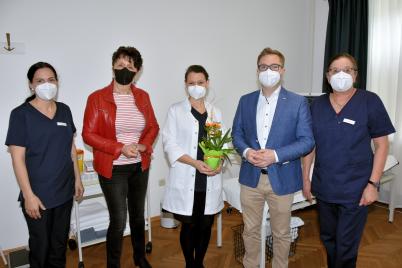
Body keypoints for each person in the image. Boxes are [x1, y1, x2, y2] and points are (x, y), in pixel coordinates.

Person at [302, 52, 395, 268]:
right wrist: (306, 179)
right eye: (335, 70)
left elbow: (382, 145)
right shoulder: (316, 106)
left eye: (347, 70)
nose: (340, 74)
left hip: (356, 188)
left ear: (355, 75)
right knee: (329, 240)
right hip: (324, 187)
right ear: (327, 76)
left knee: (346, 246)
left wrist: (373, 184)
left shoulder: (369, 101)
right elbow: (310, 146)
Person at [232, 47, 315, 268]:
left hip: (283, 178)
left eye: (274, 66)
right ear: (257, 70)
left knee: (281, 232)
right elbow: (237, 134)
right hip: (251, 178)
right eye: (264, 67)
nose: (269, 71)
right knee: (250, 231)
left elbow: (307, 141)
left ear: (283, 70)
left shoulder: (298, 102)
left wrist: (275, 155)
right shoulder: (245, 100)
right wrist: (248, 153)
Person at [82, 46, 159, 268]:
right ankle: (113, 265)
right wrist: (119, 148)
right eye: (120, 65)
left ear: (138, 70)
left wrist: (144, 146)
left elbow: (153, 126)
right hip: (113, 167)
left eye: (130, 66)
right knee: (118, 220)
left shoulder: (143, 97)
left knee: (137, 216)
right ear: (113, 66)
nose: (125, 69)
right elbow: (89, 134)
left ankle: (139, 258)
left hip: (139, 166)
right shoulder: (97, 98)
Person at [5, 62, 84, 268]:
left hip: (64, 192)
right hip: (38, 197)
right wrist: (29, 196)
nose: (46, 84)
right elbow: (17, 159)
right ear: (31, 85)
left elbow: (70, 148)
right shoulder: (20, 115)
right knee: (41, 249)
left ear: (57, 82)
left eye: (51, 80)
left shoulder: (64, 110)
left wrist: (77, 179)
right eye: (40, 81)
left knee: (59, 247)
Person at [162, 65, 224, 268]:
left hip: (210, 178)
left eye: (200, 82)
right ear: (185, 85)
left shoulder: (216, 112)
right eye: (191, 83)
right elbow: (169, 144)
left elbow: (223, 144)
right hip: (188, 176)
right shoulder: (176, 111)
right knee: (189, 226)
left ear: (207, 83)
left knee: (206, 225)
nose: (196, 86)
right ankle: (190, 264)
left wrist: (220, 162)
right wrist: (195, 163)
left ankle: (199, 263)